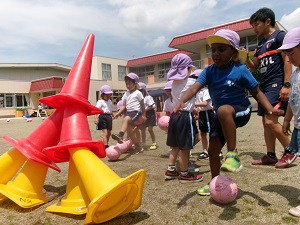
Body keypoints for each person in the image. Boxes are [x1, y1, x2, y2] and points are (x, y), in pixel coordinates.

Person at [173, 29, 284, 195]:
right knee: (212, 150)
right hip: (222, 117)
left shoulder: (240, 69)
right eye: (214, 50)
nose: (216, 54)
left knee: (224, 110)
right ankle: (214, 182)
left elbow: (257, 92)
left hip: (241, 111)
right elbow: (195, 87)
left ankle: (232, 154)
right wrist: (182, 100)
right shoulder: (209, 71)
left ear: (233, 52)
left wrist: (269, 109)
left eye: (222, 49)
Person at [245, 7, 293, 167]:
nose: (254, 28)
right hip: (263, 88)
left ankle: (291, 151)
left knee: (270, 122)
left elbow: (287, 59)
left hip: (277, 84)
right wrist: (245, 58)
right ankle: (270, 155)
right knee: (265, 122)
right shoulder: (260, 45)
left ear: (268, 21)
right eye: (252, 26)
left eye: (256, 24)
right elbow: (254, 67)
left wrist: (287, 84)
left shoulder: (280, 36)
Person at [164, 53, 203, 183]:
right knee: (185, 148)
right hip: (185, 117)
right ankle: (184, 173)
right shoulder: (191, 82)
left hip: (175, 117)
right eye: (189, 69)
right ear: (186, 69)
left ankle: (171, 169)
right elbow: (200, 83)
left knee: (175, 145)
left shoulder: (173, 83)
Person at [275, 27, 300, 217]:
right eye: (287, 54)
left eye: (292, 53)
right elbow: (292, 100)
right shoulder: (294, 74)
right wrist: (287, 119)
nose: (289, 59)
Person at [112, 73, 146, 153]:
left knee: (125, 119)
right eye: (126, 84)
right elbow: (124, 106)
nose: (128, 85)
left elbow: (142, 105)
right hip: (129, 112)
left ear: (135, 84)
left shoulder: (138, 93)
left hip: (136, 112)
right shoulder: (126, 94)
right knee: (130, 132)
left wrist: (144, 115)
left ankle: (120, 135)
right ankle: (138, 147)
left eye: (130, 84)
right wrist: (118, 113)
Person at [192, 69, 215, 160]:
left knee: (211, 133)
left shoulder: (205, 90)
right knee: (203, 133)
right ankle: (205, 151)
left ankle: (215, 151)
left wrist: (194, 105)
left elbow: (205, 103)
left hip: (207, 113)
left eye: (195, 78)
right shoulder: (197, 92)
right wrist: (197, 111)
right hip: (202, 114)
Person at [138, 82, 158, 150]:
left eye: (140, 90)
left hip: (151, 114)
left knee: (150, 129)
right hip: (144, 115)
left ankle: (154, 142)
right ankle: (143, 143)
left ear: (144, 90)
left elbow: (152, 106)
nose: (139, 92)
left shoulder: (148, 97)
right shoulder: (139, 99)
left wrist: (144, 110)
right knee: (142, 129)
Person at [94, 85, 113, 149]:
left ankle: (104, 144)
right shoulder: (100, 101)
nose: (108, 96)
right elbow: (96, 110)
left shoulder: (110, 101)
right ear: (102, 94)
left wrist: (112, 114)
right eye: (106, 95)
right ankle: (106, 146)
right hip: (102, 117)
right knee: (105, 132)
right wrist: (96, 118)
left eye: (109, 95)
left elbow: (109, 109)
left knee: (109, 132)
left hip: (109, 117)